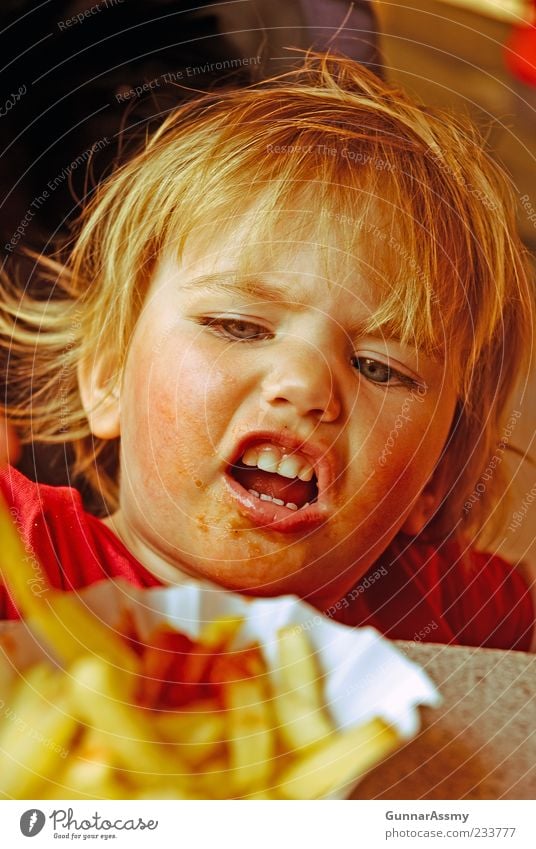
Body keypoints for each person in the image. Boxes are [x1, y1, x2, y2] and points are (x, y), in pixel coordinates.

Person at [1, 53, 534, 650]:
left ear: (438, 472)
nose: (306, 384)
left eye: (380, 367)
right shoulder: (19, 550)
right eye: (238, 326)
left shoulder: (459, 612)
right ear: (107, 373)